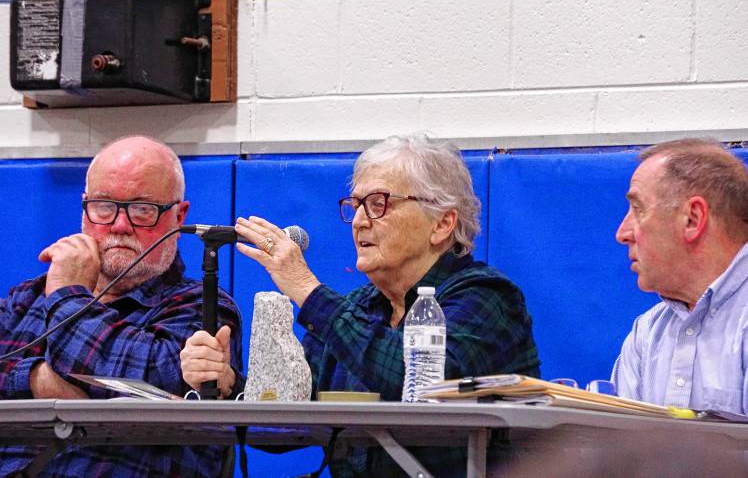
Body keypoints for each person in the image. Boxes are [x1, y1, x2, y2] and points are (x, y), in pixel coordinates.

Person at [181, 133, 540, 476]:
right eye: (355, 206)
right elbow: (288, 425)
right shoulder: (360, 308)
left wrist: (308, 290)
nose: (359, 221)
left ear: (442, 223)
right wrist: (231, 386)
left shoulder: (488, 298)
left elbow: (420, 385)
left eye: (379, 204)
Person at [0, 136, 243, 476]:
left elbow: (157, 378)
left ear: (178, 216)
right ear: (84, 209)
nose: (120, 225)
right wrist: (37, 378)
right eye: (104, 206)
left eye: (143, 209)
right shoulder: (28, 298)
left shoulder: (202, 306)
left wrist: (69, 294)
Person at [612, 138, 748, 414]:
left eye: (638, 210)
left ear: (693, 219)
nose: (622, 234)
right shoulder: (646, 333)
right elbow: (620, 451)